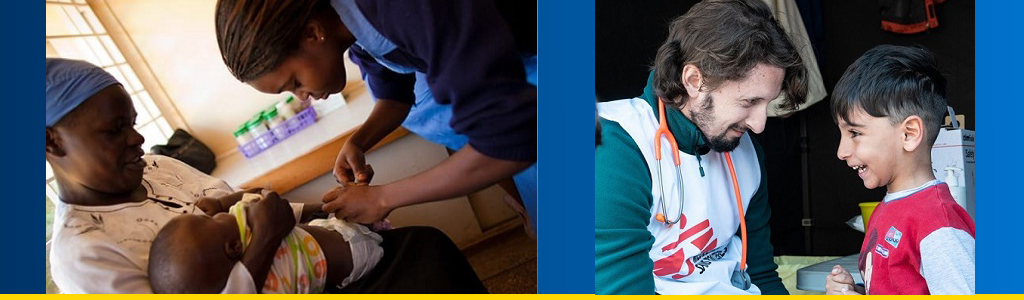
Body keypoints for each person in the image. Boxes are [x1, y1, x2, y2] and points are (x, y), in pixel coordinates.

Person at [45, 58, 486, 294]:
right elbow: (260, 228)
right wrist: (268, 240)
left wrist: (331, 204)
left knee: (425, 247)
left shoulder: (158, 168)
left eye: (134, 123)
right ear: (51, 143)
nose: (137, 141)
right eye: (114, 130)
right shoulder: (82, 254)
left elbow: (248, 206)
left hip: (307, 262)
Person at [214, 0, 538, 231]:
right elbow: (395, 93)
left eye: (295, 83)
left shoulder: (397, 9)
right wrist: (359, 140)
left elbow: (512, 139)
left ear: (313, 34)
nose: (303, 98)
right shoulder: (351, 28)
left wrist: (383, 198)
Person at [594, 0, 808, 294]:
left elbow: (762, 275)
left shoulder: (746, 151)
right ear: (694, 80)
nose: (760, 125)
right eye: (749, 102)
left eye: (767, 103)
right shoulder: (614, 146)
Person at [824, 45, 974, 295]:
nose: (841, 151)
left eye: (855, 133)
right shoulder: (889, 207)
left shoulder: (940, 229)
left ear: (909, 133)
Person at [148, 192, 383, 293]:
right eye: (211, 221)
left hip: (330, 247)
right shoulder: (249, 230)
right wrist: (224, 205)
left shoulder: (267, 286)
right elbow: (266, 198)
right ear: (234, 247)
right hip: (358, 252)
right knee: (372, 239)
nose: (217, 216)